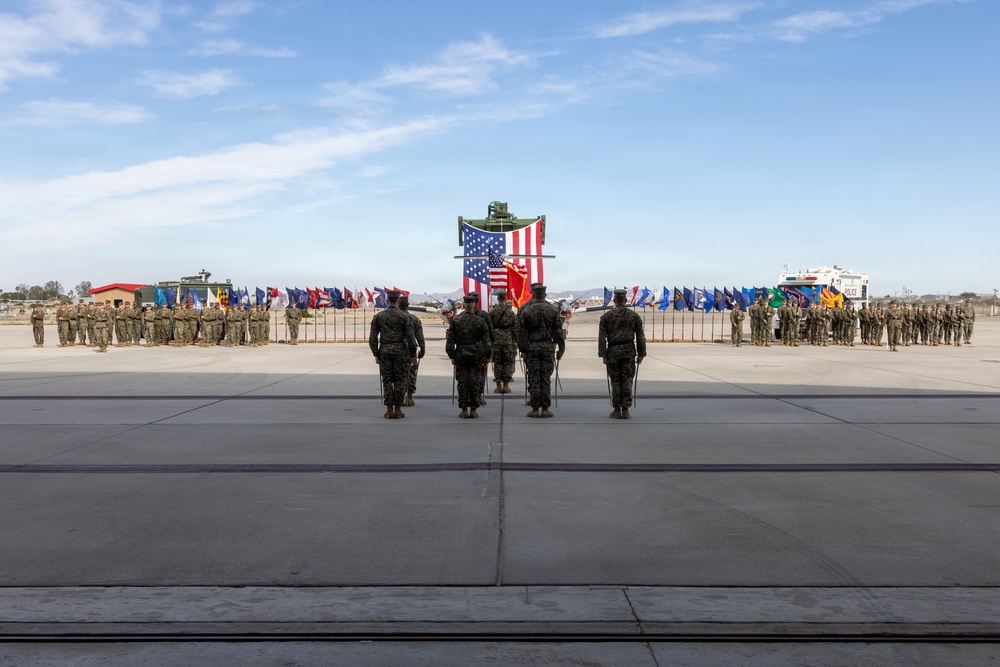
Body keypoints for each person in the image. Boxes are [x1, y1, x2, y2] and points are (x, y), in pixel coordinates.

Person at [516, 284, 565, 418]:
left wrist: (523, 350)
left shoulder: (526, 311)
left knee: (534, 378)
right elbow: (558, 331)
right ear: (545, 295)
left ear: (533, 294)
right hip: (547, 348)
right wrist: (561, 348)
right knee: (545, 378)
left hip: (532, 348)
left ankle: (534, 408)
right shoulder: (552, 311)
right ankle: (545, 409)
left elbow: (521, 333)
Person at [598, 288, 646, 419]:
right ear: (626, 300)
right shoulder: (634, 316)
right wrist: (641, 354)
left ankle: (616, 410)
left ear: (614, 300)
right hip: (628, 351)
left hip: (613, 352)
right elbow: (640, 336)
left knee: (615, 381)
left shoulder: (607, 316)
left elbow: (602, 337)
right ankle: (625, 410)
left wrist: (603, 354)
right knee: (627, 380)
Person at [369, 290, 416, 419]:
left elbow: (373, 338)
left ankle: (389, 410)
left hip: (385, 351)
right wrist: (412, 355)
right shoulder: (404, 317)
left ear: (387, 300)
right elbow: (411, 337)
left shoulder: (379, 316)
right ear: (398, 301)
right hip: (400, 352)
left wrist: (376, 354)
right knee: (400, 380)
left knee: (387, 380)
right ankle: (398, 409)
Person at [446, 294, 492, 418]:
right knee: (474, 381)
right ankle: (473, 409)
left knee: (462, 382)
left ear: (464, 305)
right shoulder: (480, 321)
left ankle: (464, 409)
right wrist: (487, 357)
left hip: (461, 354)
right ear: (474, 305)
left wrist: (452, 356)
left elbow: (450, 341)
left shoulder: (456, 321)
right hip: (476, 355)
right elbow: (487, 342)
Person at [399, 295, 426, 406]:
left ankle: (399, 397)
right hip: (410, 350)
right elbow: (419, 337)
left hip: (396, 350)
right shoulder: (414, 319)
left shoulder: (392, 317)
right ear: (408, 305)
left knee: (397, 373)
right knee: (411, 373)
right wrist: (422, 349)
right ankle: (409, 397)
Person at [489, 291, 518, 394]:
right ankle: (506, 386)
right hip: (508, 340)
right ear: (506, 299)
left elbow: (489, 327)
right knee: (507, 362)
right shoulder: (510, 313)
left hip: (496, 340)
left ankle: (498, 386)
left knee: (497, 362)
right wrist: (515, 340)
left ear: (497, 299)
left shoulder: (492, 312)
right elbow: (515, 328)